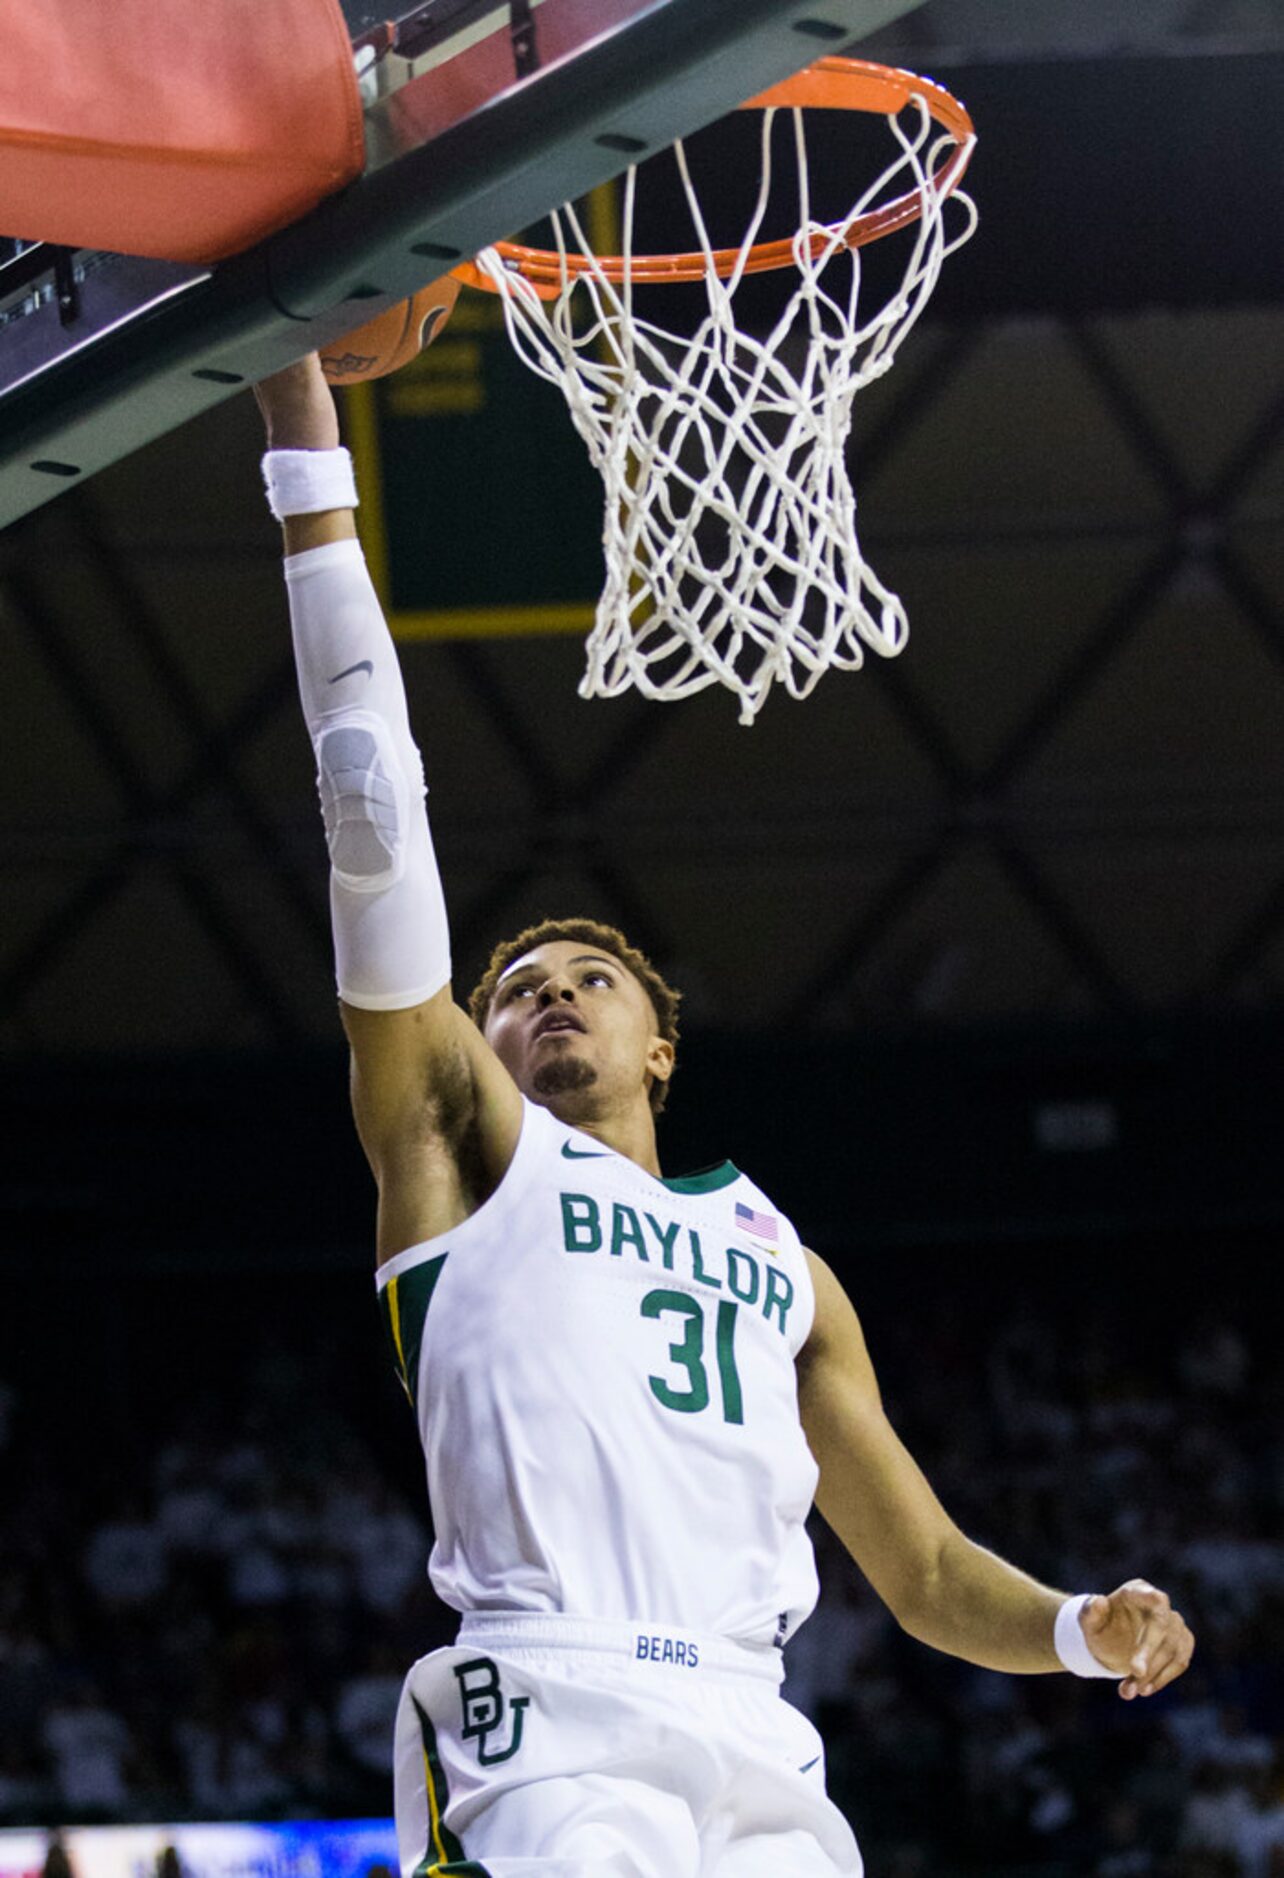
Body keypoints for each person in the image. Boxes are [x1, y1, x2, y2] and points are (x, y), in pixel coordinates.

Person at [255, 353, 1195, 1878]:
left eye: (590, 977)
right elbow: (368, 801)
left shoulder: (784, 1260)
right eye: (517, 989)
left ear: (662, 1042)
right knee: (371, 795)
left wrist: (1082, 1630)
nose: (549, 998)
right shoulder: (461, 1147)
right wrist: (303, 440)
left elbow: (928, 1565)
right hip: (547, 1705)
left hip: (759, 1739)